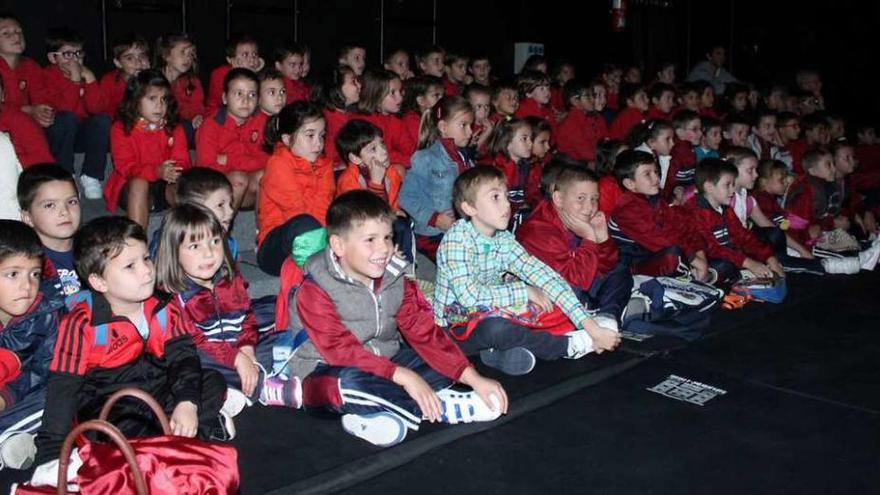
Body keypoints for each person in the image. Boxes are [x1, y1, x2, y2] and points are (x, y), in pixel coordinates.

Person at [289, 190, 508, 446]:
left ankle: (383, 413)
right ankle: (441, 407)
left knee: (441, 363)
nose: (384, 248)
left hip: (385, 363)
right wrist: (406, 377)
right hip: (326, 368)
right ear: (338, 245)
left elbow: (422, 330)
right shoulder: (315, 286)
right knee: (344, 385)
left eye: (387, 237)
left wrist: (472, 377)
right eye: (370, 239)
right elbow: (340, 351)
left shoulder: (394, 275)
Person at [33, 216, 228, 468]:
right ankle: (170, 452)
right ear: (99, 282)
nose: (146, 270)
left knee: (211, 381)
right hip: (112, 404)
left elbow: (184, 357)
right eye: (130, 266)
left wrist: (187, 402)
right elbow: (63, 390)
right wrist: (49, 461)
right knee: (118, 429)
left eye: (146, 258)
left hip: (158, 388)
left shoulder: (163, 305)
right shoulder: (82, 323)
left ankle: (180, 445)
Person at [433, 166, 620, 376]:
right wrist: (524, 290)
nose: (506, 204)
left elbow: (547, 278)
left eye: (505, 195)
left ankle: (499, 353)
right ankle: (566, 346)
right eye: (495, 197)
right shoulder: (457, 240)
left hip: (491, 311)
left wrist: (591, 327)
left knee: (556, 296)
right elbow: (469, 297)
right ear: (469, 208)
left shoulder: (503, 240)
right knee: (496, 328)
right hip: (454, 327)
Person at [155, 204, 300, 409]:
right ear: (173, 252)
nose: (209, 254)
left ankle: (250, 383)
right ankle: (261, 386)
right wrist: (236, 359)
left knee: (288, 335)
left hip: (238, 350)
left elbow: (247, 317)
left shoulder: (229, 278)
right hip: (209, 357)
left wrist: (247, 348)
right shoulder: (173, 296)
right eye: (195, 246)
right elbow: (196, 341)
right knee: (193, 362)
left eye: (215, 242)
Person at [517, 164, 632, 329]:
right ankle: (597, 314)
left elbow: (604, 268)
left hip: (578, 282)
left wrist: (602, 238)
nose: (589, 207)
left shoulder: (574, 219)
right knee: (574, 291)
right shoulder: (539, 230)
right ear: (559, 199)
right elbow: (576, 281)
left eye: (594, 199)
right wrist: (590, 238)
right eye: (581, 198)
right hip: (553, 294)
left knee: (621, 270)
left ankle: (606, 317)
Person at [0, 220, 65, 471]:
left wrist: (7, 396)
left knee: (60, 397)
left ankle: (9, 439)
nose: (27, 286)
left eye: (34, 274)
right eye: (12, 274)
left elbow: (45, 372)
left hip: (24, 398)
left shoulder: (46, 314)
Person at [106, 69, 190, 229]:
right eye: (152, 98)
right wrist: (156, 171)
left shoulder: (174, 126)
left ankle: (191, 240)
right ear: (136, 100)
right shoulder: (121, 127)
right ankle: (139, 246)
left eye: (164, 99)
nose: (159, 105)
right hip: (131, 185)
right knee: (139, 184)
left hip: (165, 184)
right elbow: (126, 167)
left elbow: (183, 160)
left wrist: (174, 171)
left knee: (189, 186)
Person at [257, 101, 333, 276]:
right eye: (310, 135)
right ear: (286, 138)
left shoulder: (324, 164)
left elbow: (323, 208)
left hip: (315, 238)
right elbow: (295, 211)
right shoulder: (278, 164)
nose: (318, 143)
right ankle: (325, 271)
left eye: (322, 136)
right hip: (275, 249)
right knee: (304, 223)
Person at [609, 149, 709, 280]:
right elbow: (661, 241)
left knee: (721, 264)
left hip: (656, 257)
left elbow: (682, 227)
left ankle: (695, 277)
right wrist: (696, 261)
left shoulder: (655, 199)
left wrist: (700, 255)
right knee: (674, 256)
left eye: (656, 172)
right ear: (630, 184)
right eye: (647, 174)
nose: (656, 178)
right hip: (634, 268)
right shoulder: (626, 210)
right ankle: (692, 281)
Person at [684, 158, 783, 286]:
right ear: (709, 187)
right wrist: (748, 263)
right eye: (727, 185)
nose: (732, 191)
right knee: (724, 266)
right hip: (710, 261)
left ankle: (758, 271)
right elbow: (711, 249)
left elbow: (744, 236)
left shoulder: (725, 208)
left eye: (733, 185)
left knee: (766, 243)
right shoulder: (693, 212)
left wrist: (770, 258)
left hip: (731, 256)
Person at [399, 96, 475, 260]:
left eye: (471, 125)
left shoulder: (467, 160)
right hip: (433, 235)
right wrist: (434, 218)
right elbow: (406, 197)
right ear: (443, 127)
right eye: (464, 125)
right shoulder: (425, 158)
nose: (470, 132)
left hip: (462, 230)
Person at [41, 27, 110, 200]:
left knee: (102, 120)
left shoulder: (86, 74)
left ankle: (91, 175)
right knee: (67, 119)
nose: (75, 59)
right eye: (67, 54)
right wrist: (75, 80)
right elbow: (65, 109)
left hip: (80, 134)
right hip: (59, 133)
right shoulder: (47, 76)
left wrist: (91, 80)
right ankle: (66, 174)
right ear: (52, 57)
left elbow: (97, 108)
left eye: (78, 54)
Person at [335, 119, 413, 262]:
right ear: (355, 158)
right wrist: (376, 183)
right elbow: (365, 218)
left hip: (383, 225)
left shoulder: (391, 173)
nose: (383, 151)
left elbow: (393, 206)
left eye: (382, 143)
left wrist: (395, 211)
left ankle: (404, 268)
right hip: (357, 231)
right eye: (373, 149)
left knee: (402, 224)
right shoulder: (348, 181)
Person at [196, 68, 266, 210]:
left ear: (258, 100)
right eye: (238, 93)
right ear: (225, 98)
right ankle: (221, 229)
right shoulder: (210, 125)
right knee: (239, 179)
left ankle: (264, 230)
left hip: (248, 189)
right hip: (215, 190)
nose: (246, 100)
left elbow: (268, 159)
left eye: (252, 95)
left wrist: (229, 160)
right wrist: (244, 164)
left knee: (265, 176)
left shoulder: (262, 121)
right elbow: (206, 168)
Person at [17, 164, 82, 297]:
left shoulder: (96, 249)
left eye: (72, 202)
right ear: (28, 217)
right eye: (50, 205)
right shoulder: (24, 264)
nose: (64, 212)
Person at [357, 69, 415, 173]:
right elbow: (384, 154)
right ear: (376, 95)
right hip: (369, 172)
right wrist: (413, 161)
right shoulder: (363, 122)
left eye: (400, 91)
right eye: (393, 93)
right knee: (398, 170)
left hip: (392, 166)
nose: (400, 98)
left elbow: (410, 148)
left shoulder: (395, 121)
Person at [0, 13, 51, 129]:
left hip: (29, 124)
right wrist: (27, 110)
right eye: (6, 33)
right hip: (5, 126)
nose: (16, 37)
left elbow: (42, 96)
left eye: (19, 32)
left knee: (66, 120)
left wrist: (44, 112)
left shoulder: (31, 66)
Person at [154, 33, 204, 145]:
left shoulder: (193, 82)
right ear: (166, 55)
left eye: (191, 54)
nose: (188, 58)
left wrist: (198, 117)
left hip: (185, 125)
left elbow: (197, 107)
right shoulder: (152, 80)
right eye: (183, 53)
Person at [312, 64, 361, 169]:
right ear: (336, 88)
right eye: (353, 81)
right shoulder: (325, 120)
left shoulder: (350, 116)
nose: (359, 86)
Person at [0, 77, 53, 167]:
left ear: (2, 96)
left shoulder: (18, 120)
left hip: (20, 174)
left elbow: (43, 160)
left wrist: (13, 159)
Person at [206, 34, 264, 115]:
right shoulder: (220, 73)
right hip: (219, 115)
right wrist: (239, 72)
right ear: (230, 60)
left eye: (254, 54)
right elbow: (221, 102)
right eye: (245, 55)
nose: (252, 59)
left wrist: (257, 72)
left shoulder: (259, 74)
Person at [556, 79, 608, 163]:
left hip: (593, 161)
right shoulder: (571, 123)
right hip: (573, 166)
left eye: (593, 95)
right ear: (575, 101)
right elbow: (586, 153)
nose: (592, 99)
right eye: (588, 96)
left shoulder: (596, 118)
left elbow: (605, 141)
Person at [99, 34, 150, 116]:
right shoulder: (109, 81)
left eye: (142, 56)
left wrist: (149, 77)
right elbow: (103, 111)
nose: (138, 62)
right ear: (118, 63)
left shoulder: (153, 80)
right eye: (130, 58)